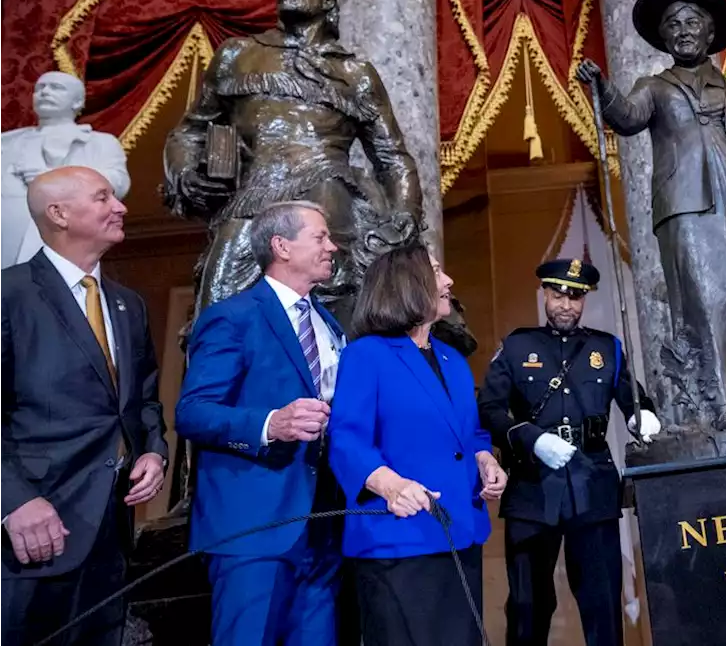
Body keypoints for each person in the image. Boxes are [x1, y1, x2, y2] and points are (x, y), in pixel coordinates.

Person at [575, 0, 726, 431]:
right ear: (664, 38)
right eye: (673, 25)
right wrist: (601, 87)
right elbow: (628, 119)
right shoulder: (654, 87)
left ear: (710, 34)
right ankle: (717, 405)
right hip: (687, 205)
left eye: (692, 22)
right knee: (702, 300)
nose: (683, 30)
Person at [163, 0, 421, 321]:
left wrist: (405, 214)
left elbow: (392, 156)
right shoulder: (238, 55)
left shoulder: (355, 73)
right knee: (217, 313)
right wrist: (187, 174)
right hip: (251, 202)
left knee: (334, 324)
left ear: (328, 1)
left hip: (330, 204)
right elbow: (189, 131)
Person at [0, 167, 166, 645]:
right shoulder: (9, 295)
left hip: (110, 537)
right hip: (31, 534)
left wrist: (153, 451)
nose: (120, 207)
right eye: (103, 197)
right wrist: (14, 501)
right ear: (59, 214)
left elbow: (144, 399)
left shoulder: (127, 304)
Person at [175, 200, 345, 646]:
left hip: (323, 527)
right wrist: (271, 424)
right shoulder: (232, 317)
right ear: (281, 246)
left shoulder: (328, 323)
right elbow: (193, 412)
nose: (334, 246)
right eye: (321, 237)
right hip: (253, 526)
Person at [328, 245, 506, 646]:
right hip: (399, 541)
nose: (448, 282)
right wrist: (392, 486)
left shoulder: (452, 360)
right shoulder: (366, 355)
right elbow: (346, 438)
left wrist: (485, 460)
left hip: (460, 535)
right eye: (438, 272)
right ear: (408, 284)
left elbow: (470, 433)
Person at [478, 258, 661, 646]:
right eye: (558, 294)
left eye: (575, 297)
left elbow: (632, 397)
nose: (566, 305)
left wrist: (641, 416)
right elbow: (489, 410)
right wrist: (531, 438)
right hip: (532, 487)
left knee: (602, 603)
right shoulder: (517, 345)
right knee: (528, 606)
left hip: (592, 482)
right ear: (544, 293)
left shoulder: (606, 348)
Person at [0, 72, 130, 268]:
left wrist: (52, 181)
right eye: (40, 88)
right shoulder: (7, 142)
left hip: (66, 235)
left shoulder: (99, 143)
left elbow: (117, 183)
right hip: (8, 236)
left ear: (77, 101)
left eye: (56, 88)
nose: (45, 93)